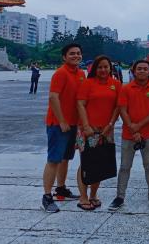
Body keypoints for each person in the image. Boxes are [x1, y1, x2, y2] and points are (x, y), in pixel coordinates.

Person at [109, 59, 149, 212]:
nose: (142, 71)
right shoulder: (126, 88)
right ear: (133, 71)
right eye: (139, 68)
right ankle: (120, 197)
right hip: (129, 134)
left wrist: (138, 126)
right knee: (125, 167)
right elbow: (122, 109)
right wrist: (133, 129)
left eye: (145, 69)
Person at [41, 43, 85, 213]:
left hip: (73, 123)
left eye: (78, 53)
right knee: (54, 159)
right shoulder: (61, 73)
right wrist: (61, 121)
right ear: (64, 57)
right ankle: (46, 196)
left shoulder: (80, 74)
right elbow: (53, 97)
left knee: (65, 158)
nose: (76, 56)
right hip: (58, 124)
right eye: (72, 53)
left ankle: (61, 188)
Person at [75, 55, 121, 211]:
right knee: (86, 162)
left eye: (106, 67)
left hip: (106, 131)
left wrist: (111, 124)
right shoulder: (88, 83)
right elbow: (80, 104)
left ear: (110, 68)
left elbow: (118, 107)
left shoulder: (115, 84)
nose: (103, 70)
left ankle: (93, 195)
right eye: (100, 67)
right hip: (87, 130)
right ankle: (83, 196)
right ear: (95, 68)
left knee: (100, 162)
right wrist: (86, 126)